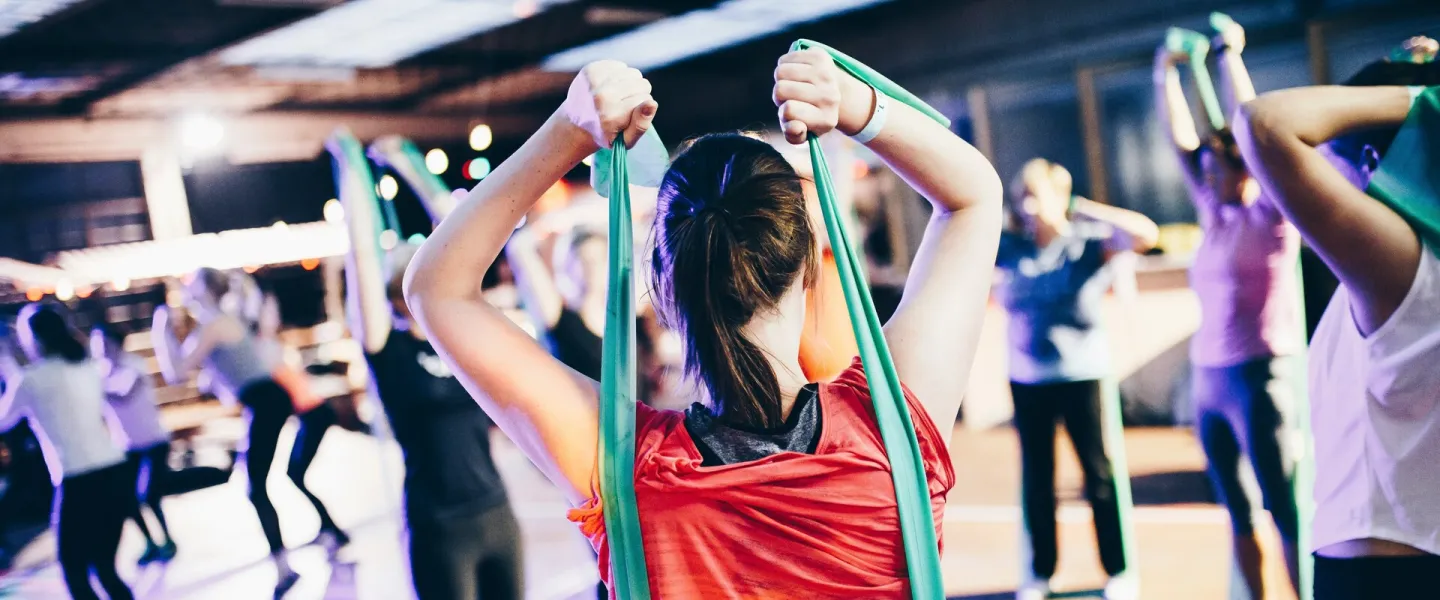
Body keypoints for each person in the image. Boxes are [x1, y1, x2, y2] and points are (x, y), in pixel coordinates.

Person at [404, 48, 1003, 596]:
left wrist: (570, 132)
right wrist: (856, 107)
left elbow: (437, 290)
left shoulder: (625, 472)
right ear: (808, 267)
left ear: (663, 295)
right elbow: (974, 194)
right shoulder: (890, 432)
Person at [1233, 43, 1440, 600]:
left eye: (1330, 156)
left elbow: (1264, 123)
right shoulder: (1403, 266)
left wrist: (1424, 97)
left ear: (1372, 164)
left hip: (1384, 578)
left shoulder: (1402, 266)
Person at [329, 131, 524, 600]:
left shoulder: (460, 335)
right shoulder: (387, 347)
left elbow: (467, 229)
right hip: (440, 529)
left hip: (497, 514)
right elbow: (360, 256)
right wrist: (352, 168)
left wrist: (409, 162)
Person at [1155, 22, 1303, 597]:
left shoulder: (1272, 216)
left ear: (1246, 169)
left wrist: (1227, 56)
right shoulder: (1212, 214)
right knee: (1237, 512)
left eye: (1220, 169)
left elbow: (1258, 130)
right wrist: (1163, 71)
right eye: (1207, 171)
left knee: (1282, 510)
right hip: (1209, 380)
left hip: (1259, 378)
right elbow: (1178, 138)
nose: (1207, 177)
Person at [996, 157, 1159, 600]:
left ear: (1058, 196)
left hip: (1083, 377)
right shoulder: (1009, 247)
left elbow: (1147, 235)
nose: (1027, 206)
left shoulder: (1086, 244)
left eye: (1035, 194)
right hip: (1028, 380)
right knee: (1038, 480)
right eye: (1020, 198)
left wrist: (1085, 208)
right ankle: (1041, 574)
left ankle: (1118, 571)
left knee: (1099, 477)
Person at [152, 268, 349, 595]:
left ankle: (285, 567)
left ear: (206, 290)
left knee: (256, 487)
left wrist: (162, 329)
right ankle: (300, 551)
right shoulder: (216, 323)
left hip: (267, 400)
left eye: (192, 285)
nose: (185, 290)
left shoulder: (214, 324)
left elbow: (175, 372)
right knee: (259, 484)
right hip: (264, 401)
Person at [0, 304, 135, 600]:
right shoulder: (87, 367)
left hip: (79, 479)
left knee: (74, 572)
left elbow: (3, 419)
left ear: (33, 339)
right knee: (105, 568)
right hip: (114, 471)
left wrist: (5, 365)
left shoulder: (32, 379)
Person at [91, 323, 180, 566]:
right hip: (127, 446)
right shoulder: (97, 373)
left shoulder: (134, 365)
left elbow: (125, 393)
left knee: (149, 495)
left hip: (154, 441)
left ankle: (168, 540)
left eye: (104, 342)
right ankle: (151, 543)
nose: (100, 348)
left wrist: (92, 391)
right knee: (126, 500)